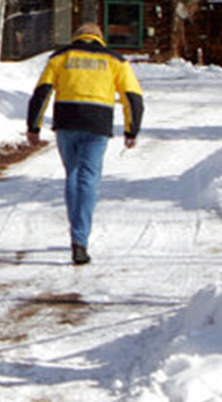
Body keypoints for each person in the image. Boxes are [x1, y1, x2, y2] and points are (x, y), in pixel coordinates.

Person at [25, 23, 144, 265]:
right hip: (97, 124)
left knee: (73, 175)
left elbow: (42, 92)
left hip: (66, 122)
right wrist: (132, 130)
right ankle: (80, 239)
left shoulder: (61, 57)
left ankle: (76, 230)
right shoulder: (115, 60)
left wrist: (33, 127)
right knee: (88, 178)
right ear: (100, 38)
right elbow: (133, 98)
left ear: (77, 36)